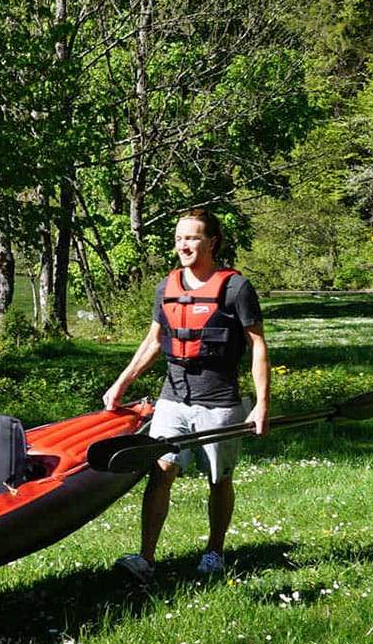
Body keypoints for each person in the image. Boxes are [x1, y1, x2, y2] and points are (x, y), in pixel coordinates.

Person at [102, 209, 270, 582]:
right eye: (179, 237)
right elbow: (153, 341)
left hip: (220, 400)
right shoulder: (167, 286)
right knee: (160, 471)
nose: (183, 245)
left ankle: (214, 552)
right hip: (173, 397)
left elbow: (257, 345)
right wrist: (121, 383)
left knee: (218, 478)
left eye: (192, 238)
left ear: (212, 242)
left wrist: (261, 404)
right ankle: (145, 557)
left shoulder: (236, 288)